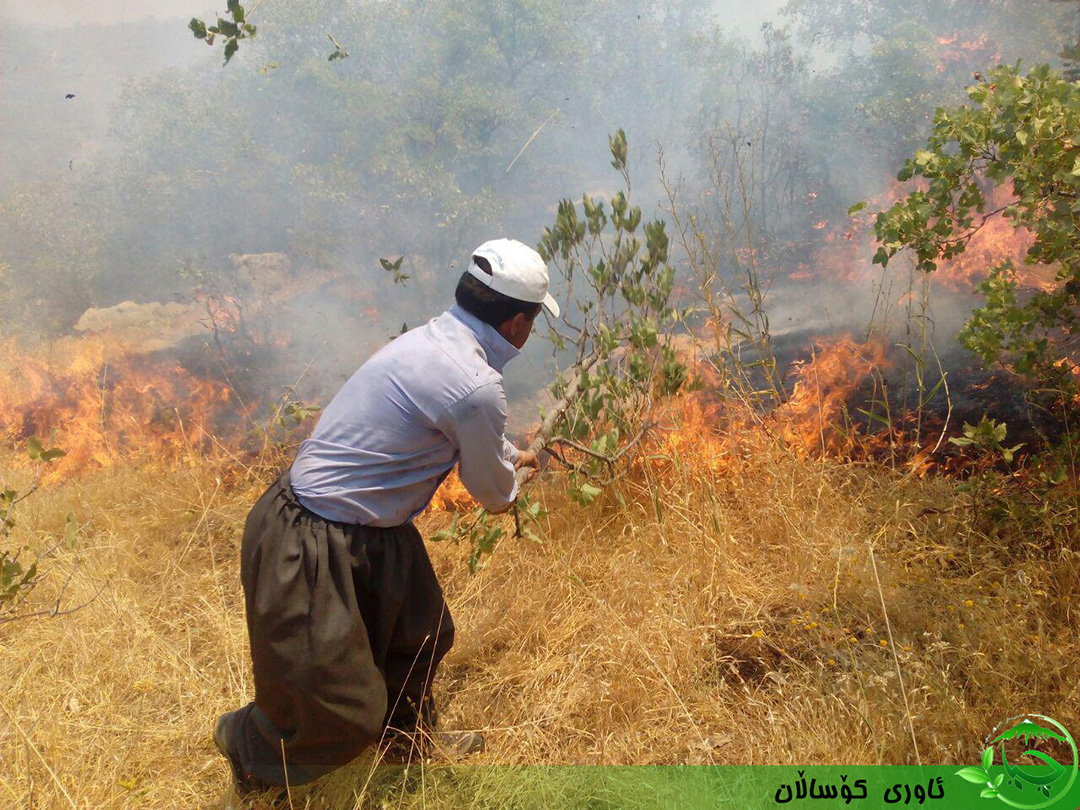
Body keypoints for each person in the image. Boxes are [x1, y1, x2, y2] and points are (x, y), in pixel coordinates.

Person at [213, 238, 560, 795]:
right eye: (535, 322)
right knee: (339, 707)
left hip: (373, 529)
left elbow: (471, 436)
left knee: (420, 638)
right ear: (519, 322)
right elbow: (494, 493)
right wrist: (513, 479)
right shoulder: (476, 385)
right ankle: (248, 753)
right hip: (311, 537)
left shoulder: (428, 342)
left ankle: (409, 748)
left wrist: (506, 457)